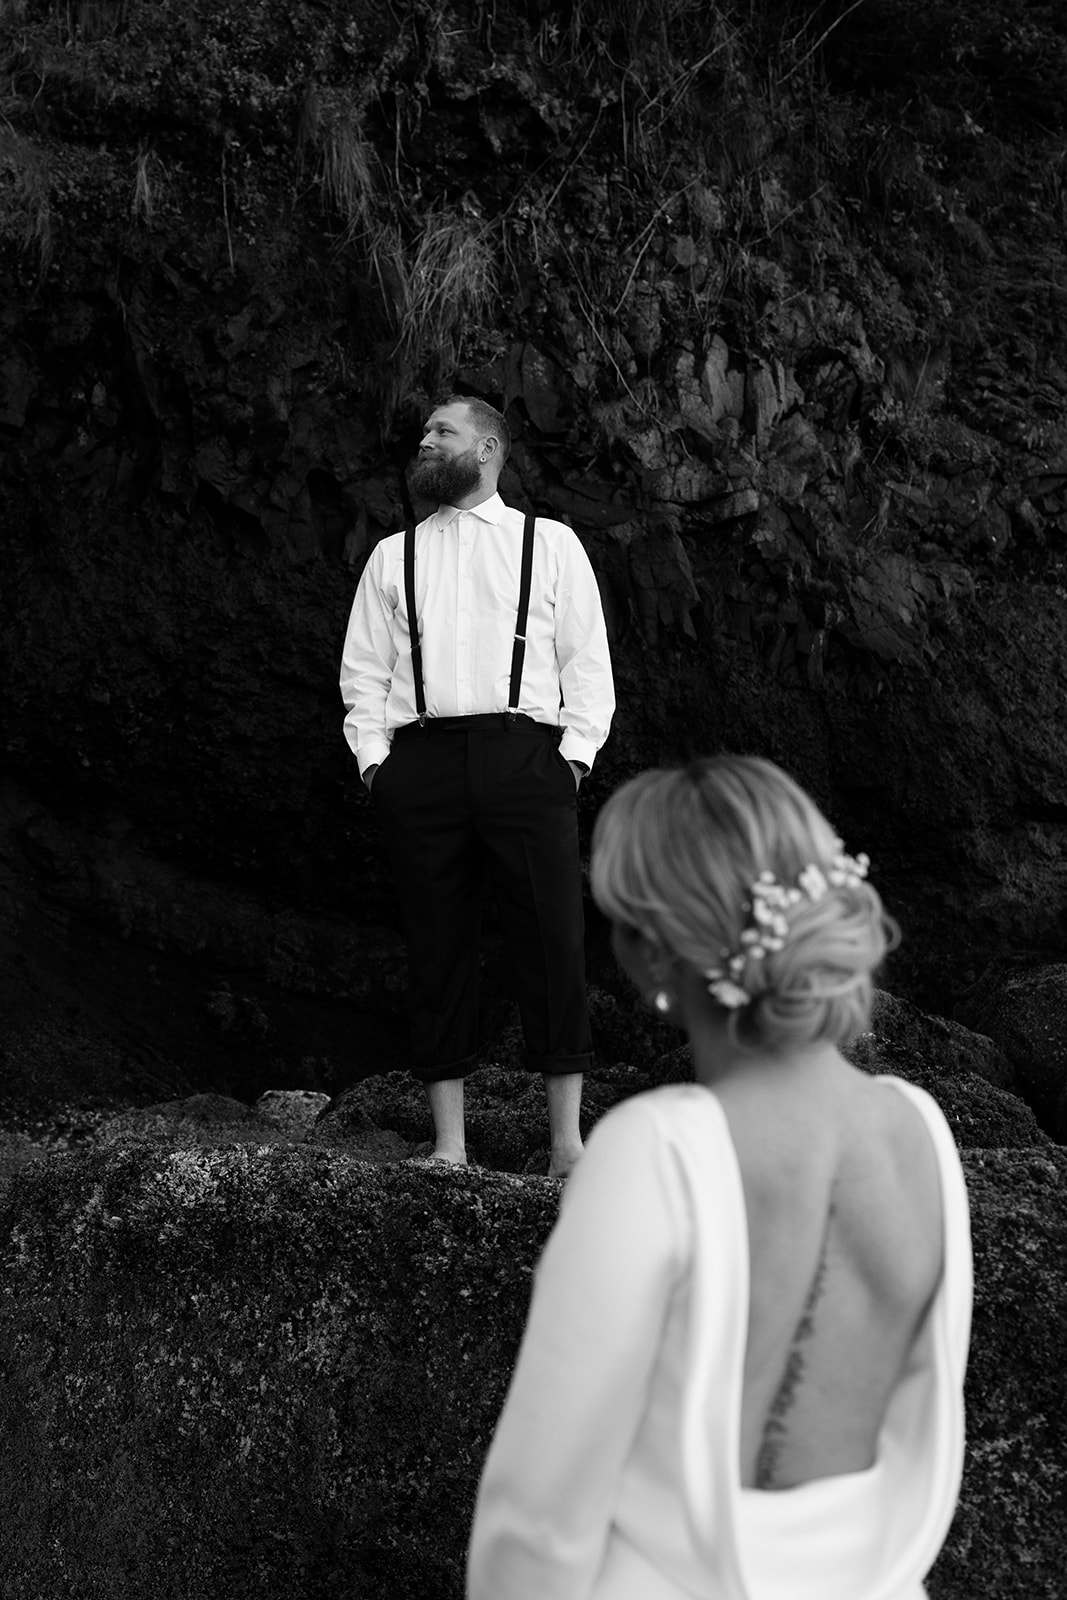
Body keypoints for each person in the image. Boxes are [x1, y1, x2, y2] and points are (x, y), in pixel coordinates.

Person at [467, 754, 972, 1600]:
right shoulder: (918, 1131)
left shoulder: (654, 1152)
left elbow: (540, 1517)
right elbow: (919, 1421)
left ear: (650, 954)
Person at [339, 395, 615, 1178]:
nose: (425, 441)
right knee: (435, 946)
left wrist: (570, 761)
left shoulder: (549, 544)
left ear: (488, 447)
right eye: (425, 433)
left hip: (523, 757)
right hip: (420, 763)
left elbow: (585, 664)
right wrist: (376, 765)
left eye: (442, 431)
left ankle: (566, 1143)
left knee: (552, 939)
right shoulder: (395, 555)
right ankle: (449, 1146)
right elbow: (364, 673)